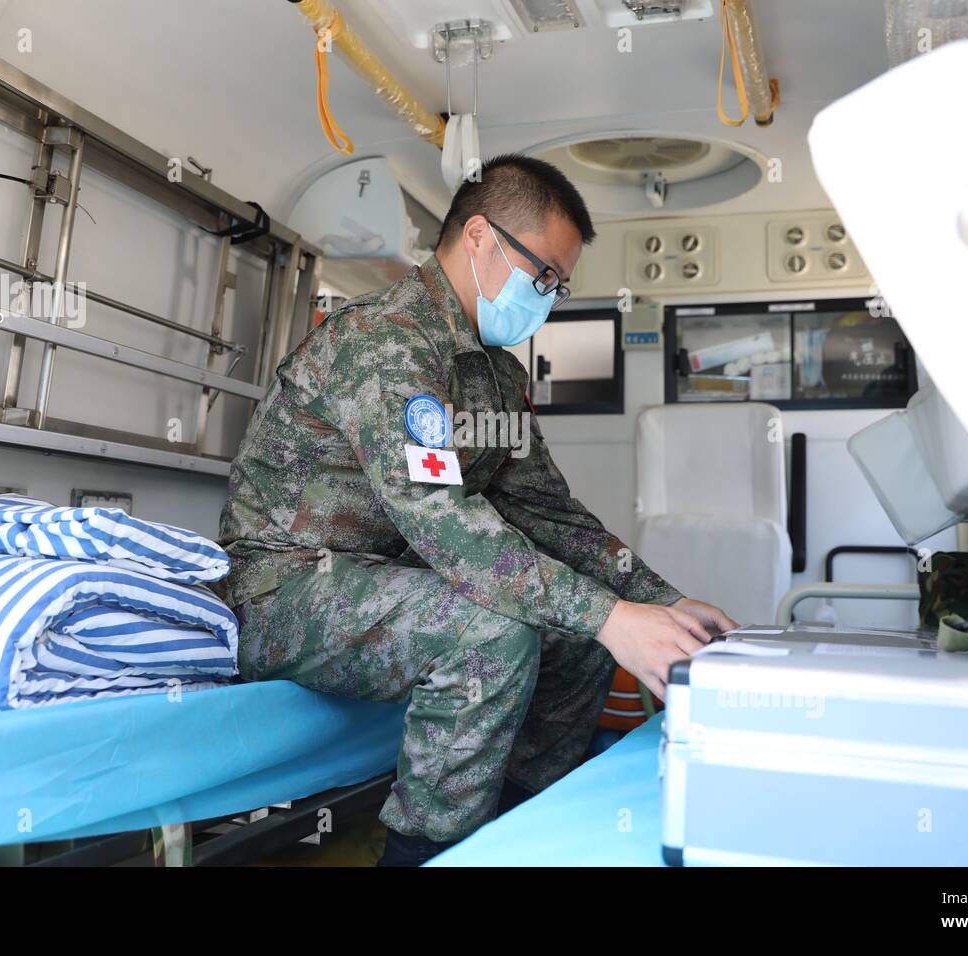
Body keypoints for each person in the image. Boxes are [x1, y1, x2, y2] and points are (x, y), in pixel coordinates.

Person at [218, 154, 735, 866]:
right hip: (287, 590)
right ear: (482, 238)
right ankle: (422, 855)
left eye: (560, 284)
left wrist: (660, 604)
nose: (549, 298)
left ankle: (517, 833)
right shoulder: (385, 343)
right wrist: (610, 616)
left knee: (575, 635)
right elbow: (445, 522)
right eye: (544, 275)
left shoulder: (496, 374)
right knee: (491, 633)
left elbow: (554, 516)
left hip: (391, 580)